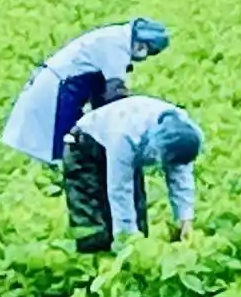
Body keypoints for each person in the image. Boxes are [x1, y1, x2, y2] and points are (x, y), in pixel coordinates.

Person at [0, 17, 170, 177]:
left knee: (53, 143)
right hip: (60, 89)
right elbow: (113, 93)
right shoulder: (117, 46)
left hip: (64, 87)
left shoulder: (116, 36)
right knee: (60, 144)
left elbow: (101, 93)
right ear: (142, 46)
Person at [63, 93, 203, 250]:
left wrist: (185, 221)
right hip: (86, 146)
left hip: (126, 147)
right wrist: (126, 242)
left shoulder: (182, 132)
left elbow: (181, 177)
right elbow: (120, 189)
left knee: (138, 225)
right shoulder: (127, 134)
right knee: (94, 227)